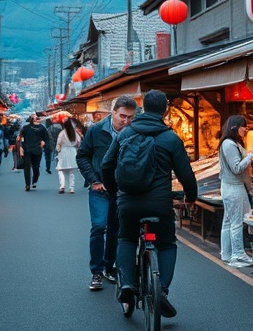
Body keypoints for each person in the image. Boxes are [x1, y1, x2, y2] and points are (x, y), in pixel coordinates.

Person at [101, 89, 197, 319]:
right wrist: (190, 196)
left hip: (128, 202)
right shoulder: (170, 138)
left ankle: (127, 285)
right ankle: (161, 289)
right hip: (159, 203)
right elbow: (186, 174)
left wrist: (115, 193)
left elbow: (106, 165)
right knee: (167, 244)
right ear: (165, 110)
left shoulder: (125, 134)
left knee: (126, 238)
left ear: (143, 107)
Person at [77, 97, 136, 291]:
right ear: (113, 112)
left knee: (116, 230)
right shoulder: (96, 130)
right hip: (100, 189)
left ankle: (109, 266)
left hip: (122, 190)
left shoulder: (134, 132)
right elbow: (83, 156)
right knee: (99, 226)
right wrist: (94, 180)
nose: (125, 121)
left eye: (130, 117)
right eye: (122, 116)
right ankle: (97, 270)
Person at [218, 115, 253, 267]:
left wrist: (250, 187)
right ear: (235, 127)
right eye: (243, 126)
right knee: (236, 222)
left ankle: (226, 254)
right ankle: (238, 255)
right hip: (233, 187)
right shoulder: (229, 144)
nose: (245, 129)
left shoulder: (230, 143)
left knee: (229, 221)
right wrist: (250, 157)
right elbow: (237, 168)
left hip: (231, 187)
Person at [18, 114, 47, 192]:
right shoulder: (25, 128)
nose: (35, 119)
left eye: (36, 117)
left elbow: (46, 138)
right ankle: (27, 184)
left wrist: (43, 142)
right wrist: (21, 148)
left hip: (37, 150)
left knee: (36, 168)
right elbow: (21, 139)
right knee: (27, 167)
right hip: (27, 150)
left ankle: (34, 180)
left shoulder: (42, 128)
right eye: (33, 117)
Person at [55, 118, 82, 194]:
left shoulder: (62, 133)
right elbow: (78, 142)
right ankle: (71, 187)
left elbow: (59, 143)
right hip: (72, 151)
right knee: (71, 172)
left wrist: (58, 150)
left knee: (61, 170)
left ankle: (62, 186)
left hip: (64, 151)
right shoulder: (75, 133)